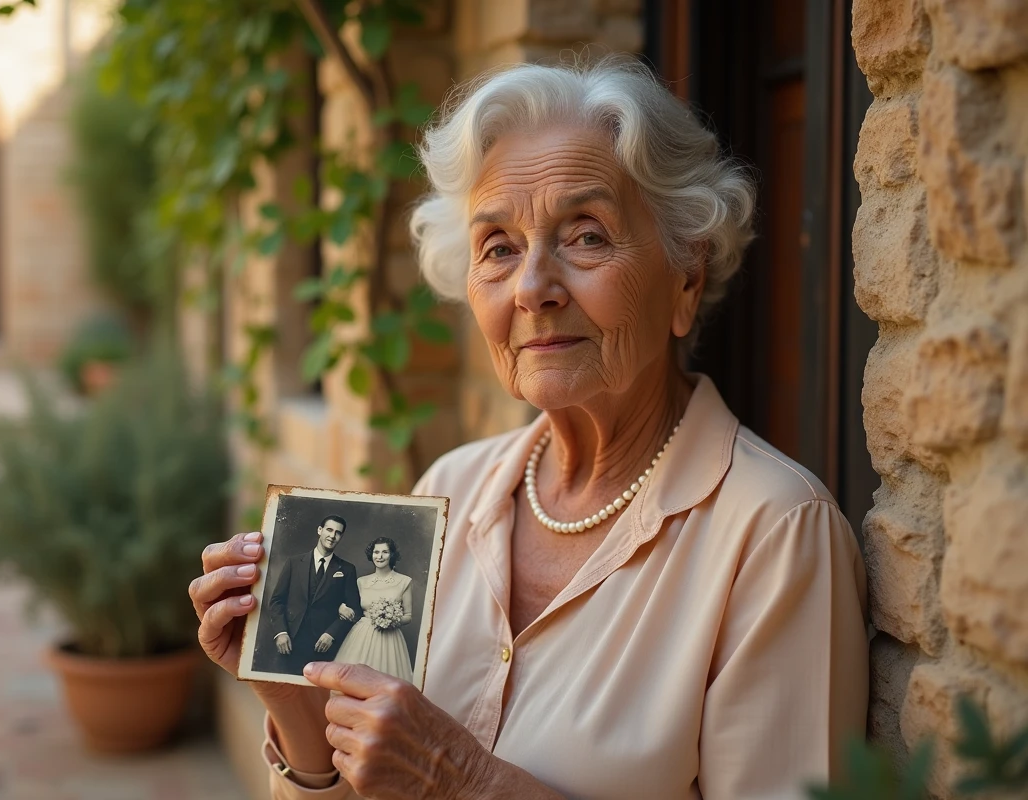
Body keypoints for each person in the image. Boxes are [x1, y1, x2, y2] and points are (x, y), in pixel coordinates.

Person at [190, 58, 869, 799]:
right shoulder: (452, 487)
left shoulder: (775, 534)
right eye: (500, 248)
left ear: (687, 273)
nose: (533, 289)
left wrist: (467, 781)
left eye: (585, 236)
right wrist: (300, 710)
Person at [265, 515, 362, 675]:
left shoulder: (347, 569)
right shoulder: (294, 563)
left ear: (341, 537)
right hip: (290, 641)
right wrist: (281, 633)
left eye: (338, 533)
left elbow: (355, 610)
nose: (332, 535)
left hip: (323, 646)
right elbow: (276, 601)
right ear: (320, 530)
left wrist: (332, 634)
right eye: (329, 530)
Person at [332, 537, 415, 683]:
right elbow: (354, 610)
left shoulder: (404, 581)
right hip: (362, 635)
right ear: (371, 554)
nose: (380, 556)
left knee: (385, 684)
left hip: (390, 637)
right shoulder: (361, 582)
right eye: (376, 552)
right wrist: (341, 607)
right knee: (353, 682)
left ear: (392, 555)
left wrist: (392, 620)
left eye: (385, 552)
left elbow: (408, 616)